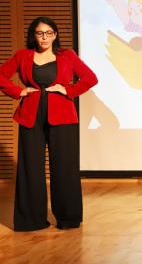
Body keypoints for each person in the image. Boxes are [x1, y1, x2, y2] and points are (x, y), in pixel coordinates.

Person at [0, 16, 98, 231]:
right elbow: (1, 76)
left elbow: (90, 78)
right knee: (30, 168)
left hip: (62, 116)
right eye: (39, 33)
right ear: (33, 35)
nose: (44, 37)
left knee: (64, 167)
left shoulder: (67, 55)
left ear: (55, 35)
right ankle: (31, 220)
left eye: (48, 33)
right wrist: (18, 91)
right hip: (31, 116)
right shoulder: (23, 55)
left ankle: (68, 218)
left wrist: (68, 90)